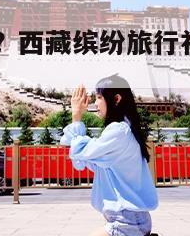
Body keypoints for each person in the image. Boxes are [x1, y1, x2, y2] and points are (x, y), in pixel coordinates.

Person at [60, 74, 159, 236]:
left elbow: (80, 153)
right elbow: (83, 159)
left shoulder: (118, 131)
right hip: (129, 218)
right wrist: (80, 148)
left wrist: (76, 117)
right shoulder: (125, 129)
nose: (95, 103)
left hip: (126, 220)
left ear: (116, 99)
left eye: (99, 97)